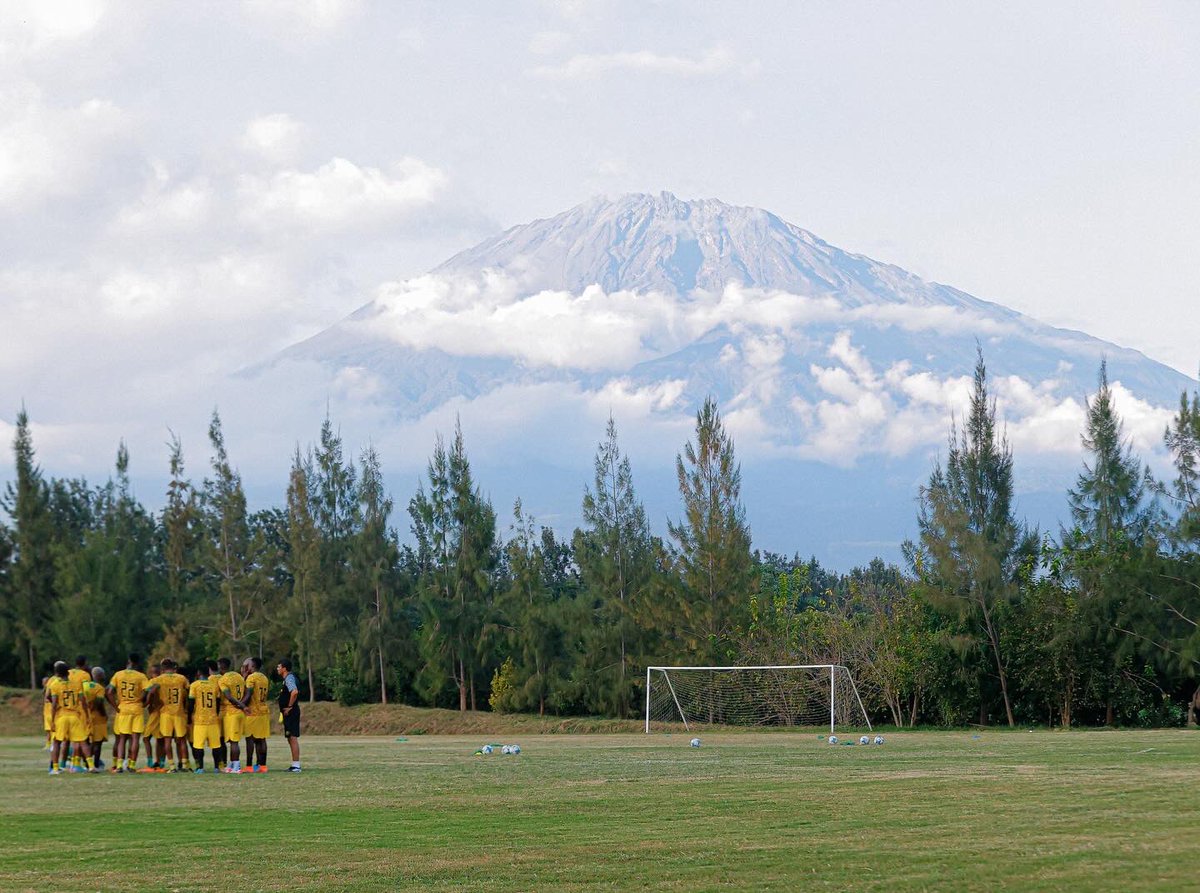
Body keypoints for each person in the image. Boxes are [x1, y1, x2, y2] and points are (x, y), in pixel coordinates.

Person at [47, 660, 96, 773]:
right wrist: (87, 715)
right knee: (83, 741)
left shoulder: (55, 685)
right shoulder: (75, 685)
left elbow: (54, 704)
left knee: (57, 742)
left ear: (57, 674)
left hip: (62, 717)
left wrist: (53, 720)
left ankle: (55, 768)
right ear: (68, 673)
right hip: (75, 716)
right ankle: (91, 765)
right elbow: (83, 702)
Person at [146, 658, 190, 772]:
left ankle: (172, 766)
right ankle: (184, 765)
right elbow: (188, 691)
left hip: (166, 713)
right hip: (179, 712)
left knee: (167, 740)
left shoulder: (159, 679)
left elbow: (149, 690)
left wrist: (148, 703)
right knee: (182, 740)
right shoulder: (181, 678)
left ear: (162, 668)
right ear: (172, 666)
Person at [108, 654, 149, 773]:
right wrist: (143, 700)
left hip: (123, 709)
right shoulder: (141, 676)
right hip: (136, 708)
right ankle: (131, 765)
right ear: (137, 663)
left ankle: (120, 765)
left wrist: (115, 706)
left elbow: (109, 691)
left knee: (122, 739)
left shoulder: (118, 674)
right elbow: (149, 690)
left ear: (128, 661)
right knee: (135, 738)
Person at [188, 662, 223, 773]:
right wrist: (215, 714)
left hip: (200, 720)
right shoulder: (214, 685)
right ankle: (216, 767)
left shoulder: (194, 685)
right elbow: (218, 702)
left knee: (198, 745)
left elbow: (191, 703)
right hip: (213, 719)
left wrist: (189, 716)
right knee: (216, 746)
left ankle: (200, 768)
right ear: (208, 672)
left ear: (198, 673)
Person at [217, 657, 247, 774]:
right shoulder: (239, 676)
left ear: (221, 666)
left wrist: (242, 706)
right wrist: (242, 705)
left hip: (231, 713)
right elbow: (244, 692)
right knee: (232, 740)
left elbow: (229, 697)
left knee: (234, 742)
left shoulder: (223, 680)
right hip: (239, 712)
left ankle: (237, 766)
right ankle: (232, 764)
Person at [242, 657, 271, 773]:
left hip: (253, 712)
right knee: (261, 739)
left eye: (247, 665)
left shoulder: (251, 678)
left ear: (252, 666)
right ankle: (262, 766)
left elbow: (248, 695)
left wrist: (239, 704)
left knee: (250, 739)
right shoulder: (264, 677)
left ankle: (249, 766)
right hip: (263, 711)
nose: (245, 667)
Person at [276, 658, 301, 772]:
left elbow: (294, 692)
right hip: (289, 713)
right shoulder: (287, 678)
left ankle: (296, 765)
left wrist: (289, 706)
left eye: (279, 666)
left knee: (292, 737)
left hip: (291, 712)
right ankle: (294, 764)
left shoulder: (289, 678)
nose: (278, 668)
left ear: (284, 668)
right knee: (290, 737)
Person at [83, 666, 109, 770]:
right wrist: (104, 714)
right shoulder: (99, 688)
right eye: (103, 674)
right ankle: (96, 765)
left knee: (87, 741)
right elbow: (99, 702)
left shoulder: (85, 685)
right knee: (98, 742)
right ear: (99, 675)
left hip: (85, 716)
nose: (104, 676)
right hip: (97, 717)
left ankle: (87, 763)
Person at [141, 662, 163, 771]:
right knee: (159, 739)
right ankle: (160, 762)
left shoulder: (152, 682)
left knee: (146, 738)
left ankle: (151, 761)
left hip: (155, 713)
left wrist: (144, 705)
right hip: (162, 712)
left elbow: (150, 695)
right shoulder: (164, 681)